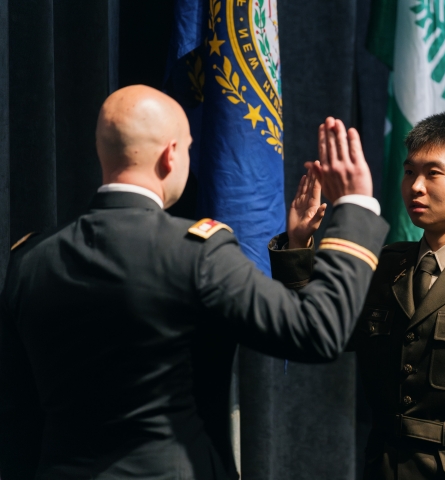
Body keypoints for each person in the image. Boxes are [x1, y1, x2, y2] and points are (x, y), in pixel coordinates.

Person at [0, 85, 388, 480]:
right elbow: (314, 330)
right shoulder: (197, 252)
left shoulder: (29, 258)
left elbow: (16, 415)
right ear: (170, 156)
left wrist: (296, 246)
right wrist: (355, 207)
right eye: (187, 148)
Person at [270, 113, 445, 479]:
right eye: (409, 172)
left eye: (433, 173)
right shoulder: (387, 266)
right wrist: (298, 245)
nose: (416, 187)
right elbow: (316, 330)